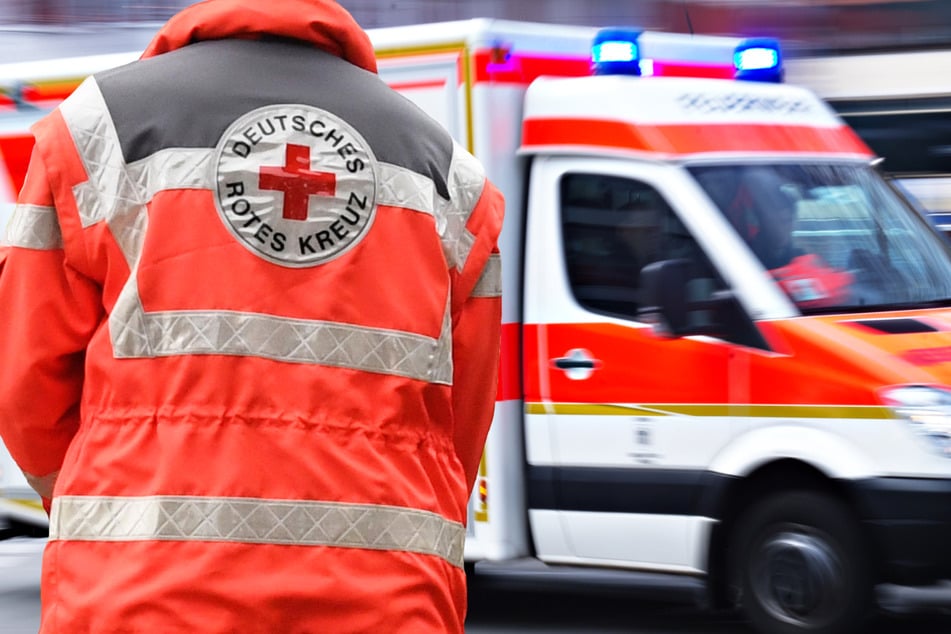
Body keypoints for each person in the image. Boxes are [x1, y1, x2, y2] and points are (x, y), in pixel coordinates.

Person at [0, 1, 504, 632]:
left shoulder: (94, 128)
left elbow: (24, 383)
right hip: (383, 598)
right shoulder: (448, 170)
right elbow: (463, 417)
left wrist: (97, 500)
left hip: (142, 593)